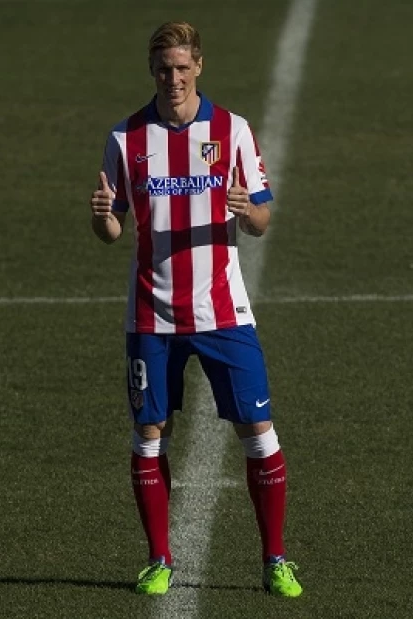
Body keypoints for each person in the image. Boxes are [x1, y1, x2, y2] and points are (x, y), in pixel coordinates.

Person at [87, 21, 301, 598]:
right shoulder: (125, 137)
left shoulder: (232, 131)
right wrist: (103, 215)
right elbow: (113, 229)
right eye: (163, 68)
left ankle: (275, 560)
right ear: (151, 69)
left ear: (198, 67)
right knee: (150, 431)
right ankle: (159, 559)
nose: (173, 78)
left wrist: (246, 209)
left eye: (182, 68)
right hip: (151, 318)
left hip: (223, 311)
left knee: (259, 430)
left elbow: (260, 219)